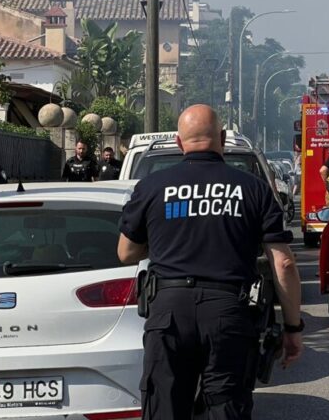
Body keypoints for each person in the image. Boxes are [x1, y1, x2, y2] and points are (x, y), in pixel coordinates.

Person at [116, 105, 304, 420]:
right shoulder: (253, 188)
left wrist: (168, 237)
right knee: (226, 406)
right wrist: (292, 327)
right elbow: (283, 264)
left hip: (169, 312)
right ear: (222, 138)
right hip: (228, 312)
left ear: (179, 143)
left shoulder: (151, 187)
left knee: (164, 406)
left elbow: (125, 252)